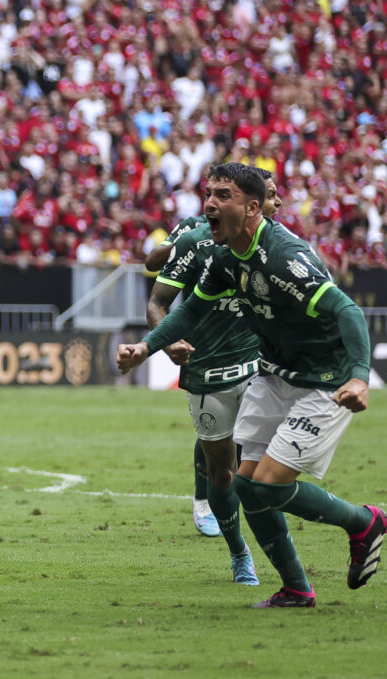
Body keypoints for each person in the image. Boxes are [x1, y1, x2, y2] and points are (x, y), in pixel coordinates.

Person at [118, 163, 387, 608]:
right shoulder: (224, 255)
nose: (209, 203)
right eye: (209, 193)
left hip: (324, 381)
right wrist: (147, 348)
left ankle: (363, 522)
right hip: (273, 374)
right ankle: (297, 588)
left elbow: (349, 313)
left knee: (268, 488)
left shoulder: (285, 257)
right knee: (245, 486)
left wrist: (360, 377)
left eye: (222, 195)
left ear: (250, 208)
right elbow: (189, 312)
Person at [144, 167, 282, 587]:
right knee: (222, 466)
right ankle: (239, 552)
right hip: (208, 370)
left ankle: (287, 564)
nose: (211, 202)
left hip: (259, 365)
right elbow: (159, 300)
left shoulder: (277, 242)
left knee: (265, 469)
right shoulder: (195, 237)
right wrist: (166, 343)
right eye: (211, 194)